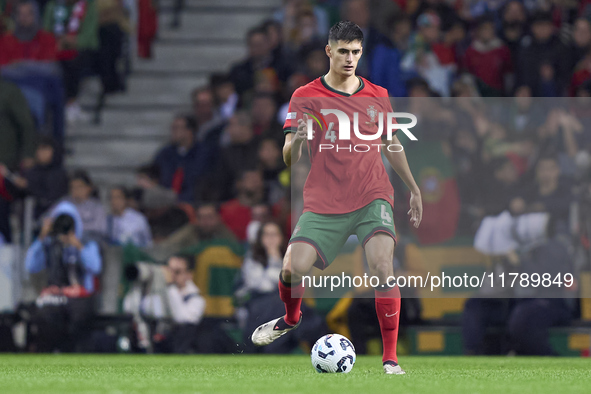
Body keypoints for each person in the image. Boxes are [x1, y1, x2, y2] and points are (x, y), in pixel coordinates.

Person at [250, 21, 423, 375]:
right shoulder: (305, 96)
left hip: (372, 195)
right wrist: (297, 139)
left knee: (383, 268)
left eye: (355, 52)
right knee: (290, 269)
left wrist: (414, 188)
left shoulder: (378, 95)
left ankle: (390, 359)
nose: (349, 58)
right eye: (342, 51)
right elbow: (288, 157)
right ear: (329, 51)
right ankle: (290, 317)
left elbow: (392, 144)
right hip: (325, 200)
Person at [25, 201, 102, 352]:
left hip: (80, 296)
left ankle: (73, 351)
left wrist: (78, 246)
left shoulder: (86, 242)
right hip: (56, 296)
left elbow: (96, 267)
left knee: (78, 315)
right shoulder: (48, 244)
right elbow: (30, 266)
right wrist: (42, 237)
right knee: (44, 313)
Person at [63, 170, 107, 239]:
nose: (76, 190)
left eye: (79, 187)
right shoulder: (65, 204)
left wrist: (76, 231)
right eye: (73, 187)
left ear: (89, 188)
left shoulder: (97, 207)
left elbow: (100, 228)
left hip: (88, 241)